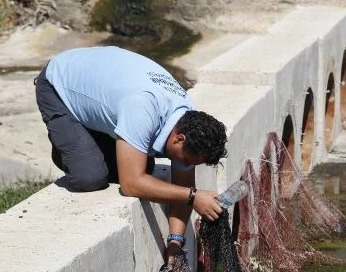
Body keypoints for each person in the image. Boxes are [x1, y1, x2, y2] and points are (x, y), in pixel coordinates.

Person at [34, 45, 227, 258]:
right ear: (179, 139)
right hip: (60, 85)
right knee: (89, 177)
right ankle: (66, 146)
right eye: (188, 160)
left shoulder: (187, 122)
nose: (187, 165)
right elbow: (131, 184)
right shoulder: (142, 108)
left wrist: (175, 243)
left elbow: (183, 188)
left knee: (145, 167)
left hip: (104, 83)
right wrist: (194, 196)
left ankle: (89, 138)